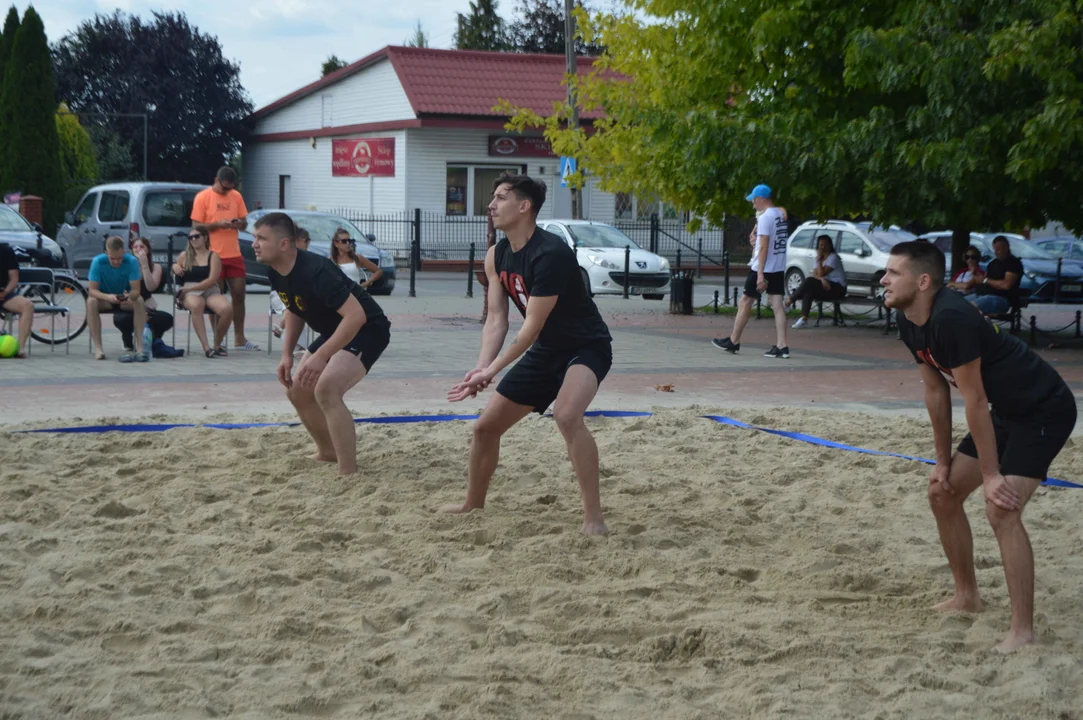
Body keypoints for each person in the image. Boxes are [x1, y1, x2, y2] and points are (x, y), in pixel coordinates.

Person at [883, 241, 1076, 653]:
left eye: (893, 273)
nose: (883, 279)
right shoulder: (908, 319)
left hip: (1043, 409)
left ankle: (1022, 632)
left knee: (1001, 508)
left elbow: (973, 399)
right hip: (1004, 412)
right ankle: (967, 597)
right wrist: (941, 461)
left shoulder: (952, 318)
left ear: (922, 282)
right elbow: (936, 390)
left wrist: (991, 476)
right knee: (942, 491)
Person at [447, 175, 613, 536]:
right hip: (545, 351)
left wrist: (491, 370)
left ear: (524, 207)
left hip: (586, 346)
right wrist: (481, 368)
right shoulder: (496, 255)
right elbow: (496, 319)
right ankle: (472, 504)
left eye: (500, 197)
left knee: (567, 415)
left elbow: (530, 328)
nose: (491, 205)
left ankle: (594, 519)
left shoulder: (551, 252)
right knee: (485, 428)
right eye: (493, 197)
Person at [254, 212, 390, 476]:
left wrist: (320, 355)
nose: (254, 243)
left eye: (261, 238)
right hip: (336, 329)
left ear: (284, 244)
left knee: (326, 390)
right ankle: (327, 451)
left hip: (367, 328)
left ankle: (348, 473)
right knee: (298, 391)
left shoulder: (316, 271)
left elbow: (356, 316)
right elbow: (294, 309)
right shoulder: (277, 271)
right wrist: (287, 354)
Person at [712, 184, 790, 358]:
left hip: (763, 268)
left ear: (762, 199)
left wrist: (760, 274)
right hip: (777, 267)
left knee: (745, 301)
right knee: (777, 305)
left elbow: (763, 247)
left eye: (754, 200)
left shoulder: (766, 218)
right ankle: (782, 346)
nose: (753, 204)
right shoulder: (780, 215)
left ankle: (733, 341)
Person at [191, 165, 258, 351]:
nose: (228, 191)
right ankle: (217, 340)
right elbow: (196, 227)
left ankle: (239, 337)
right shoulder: (203, 197)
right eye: (225, 187)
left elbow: (245, 224)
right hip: (212, 255)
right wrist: (216, 225)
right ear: (216, 180)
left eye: (230, 187)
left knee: (239, 295)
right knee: (216, 297)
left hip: (234, 254)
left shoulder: (236, 196)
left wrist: (239, 224)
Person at [172, 226, 233, 358]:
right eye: (190, 237)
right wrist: (174, 266)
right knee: (196, 305)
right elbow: (175, 273)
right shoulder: (185, 256)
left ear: (205, 238)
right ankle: (206, 347)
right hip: (189, 290)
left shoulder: (213, 256)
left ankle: (217, 344)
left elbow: (212, 280)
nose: (193, 239)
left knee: (227, 309)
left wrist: (191, 289)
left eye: (197, 236)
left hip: (208, 289)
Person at [113, 236, 179, 356]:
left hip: (148, 307)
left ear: (148, 249)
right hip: (129, 306)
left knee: (166, 318)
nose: (138, 249)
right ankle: (128, 339)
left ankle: (153, 342)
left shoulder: (156, 267)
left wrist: (144, 265)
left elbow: (150, 287)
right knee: (122, 319)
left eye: (142, 246)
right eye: (135, 247)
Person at [87, 236, 147, 362]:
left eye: (119, 258)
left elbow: (136, 290)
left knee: (139, 301)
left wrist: (129, 296)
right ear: (106, 253)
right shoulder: (98, 262)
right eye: (112, 258)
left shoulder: (131, 261)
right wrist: (107, 297)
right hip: (105, 298)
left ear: (124, 252)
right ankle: (98, 348)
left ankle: (140, 346)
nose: (116, 262)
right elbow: (92, 290)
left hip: (125, 299)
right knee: (91, 301)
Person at [785, 234, 847, 329]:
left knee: (809, 282)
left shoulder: (833, 257)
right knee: (808, 290)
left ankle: (788, 302)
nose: (822, 247)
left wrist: (819, 262)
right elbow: (815, 275)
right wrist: (822, 280)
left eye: (825, 245)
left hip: (838, 288)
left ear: (830, 245)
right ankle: (804, 319)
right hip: (826, 286)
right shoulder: (818, 258)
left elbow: (821, 273)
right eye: (820, 245)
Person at [271, 227, 310, 346]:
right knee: (295, 306)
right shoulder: (284, 257)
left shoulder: (306, 258)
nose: (308, 244)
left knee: (297, 304)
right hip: (280, 294)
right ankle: (297, 346)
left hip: (299, 294)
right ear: (298, 241)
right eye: (306, 241)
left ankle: (283, 327)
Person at [966, 236, 1022, 316]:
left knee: (969, 307)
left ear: (1006, 248)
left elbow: (1006, 285)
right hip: (982, 294)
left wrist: (985, 280)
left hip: (1001, 298)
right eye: (995, 249)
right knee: (958, 304)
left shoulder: (1013, 263)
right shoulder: (993, 263)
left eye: (999, 249)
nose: (996, 252)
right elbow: (985, 279)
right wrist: (978, 277)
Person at [0, 242, 32, 357]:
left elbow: (14, 278)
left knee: (27, 305)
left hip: (4, 294)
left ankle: (20, 349)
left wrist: (6, 292)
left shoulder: (6, 251)